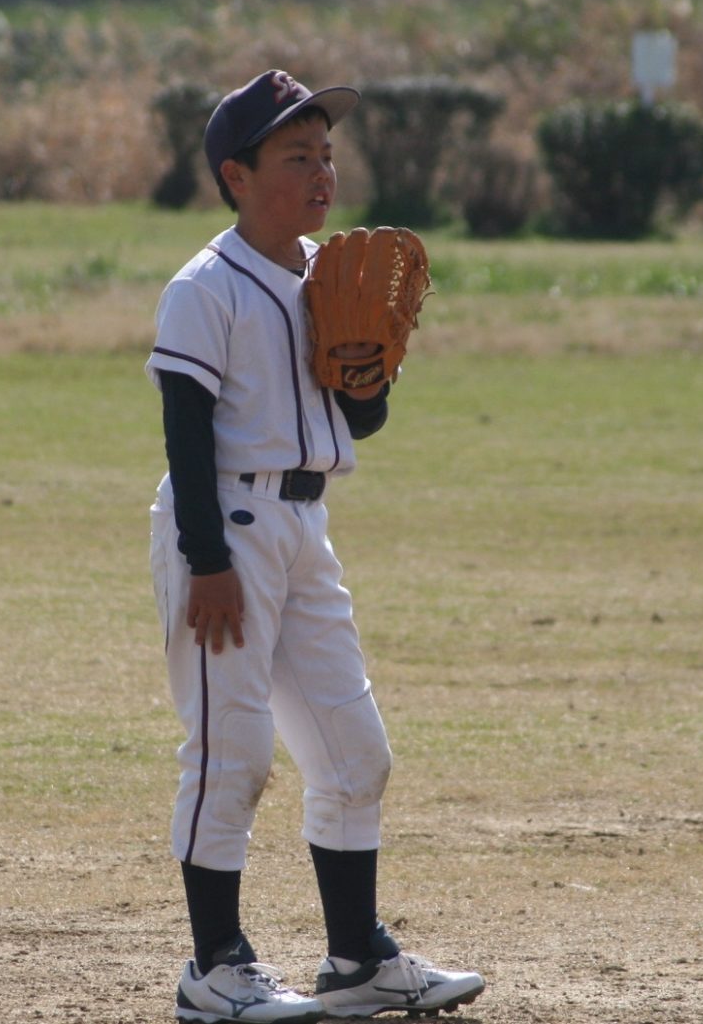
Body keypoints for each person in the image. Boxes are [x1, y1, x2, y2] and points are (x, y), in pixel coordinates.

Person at [145, 69, 486, 1024]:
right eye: (297, 157)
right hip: (224, 526)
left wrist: (369, 379)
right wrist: (207, 561)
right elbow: (185, 431)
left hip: (305, 525)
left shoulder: (328, 276)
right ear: (237, 175)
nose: (322, 173)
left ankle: (356, 960)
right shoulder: (204, 288)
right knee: (233, 748)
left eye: (327, 155)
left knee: (353, 749)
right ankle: (215, 967)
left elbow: (356, 421)